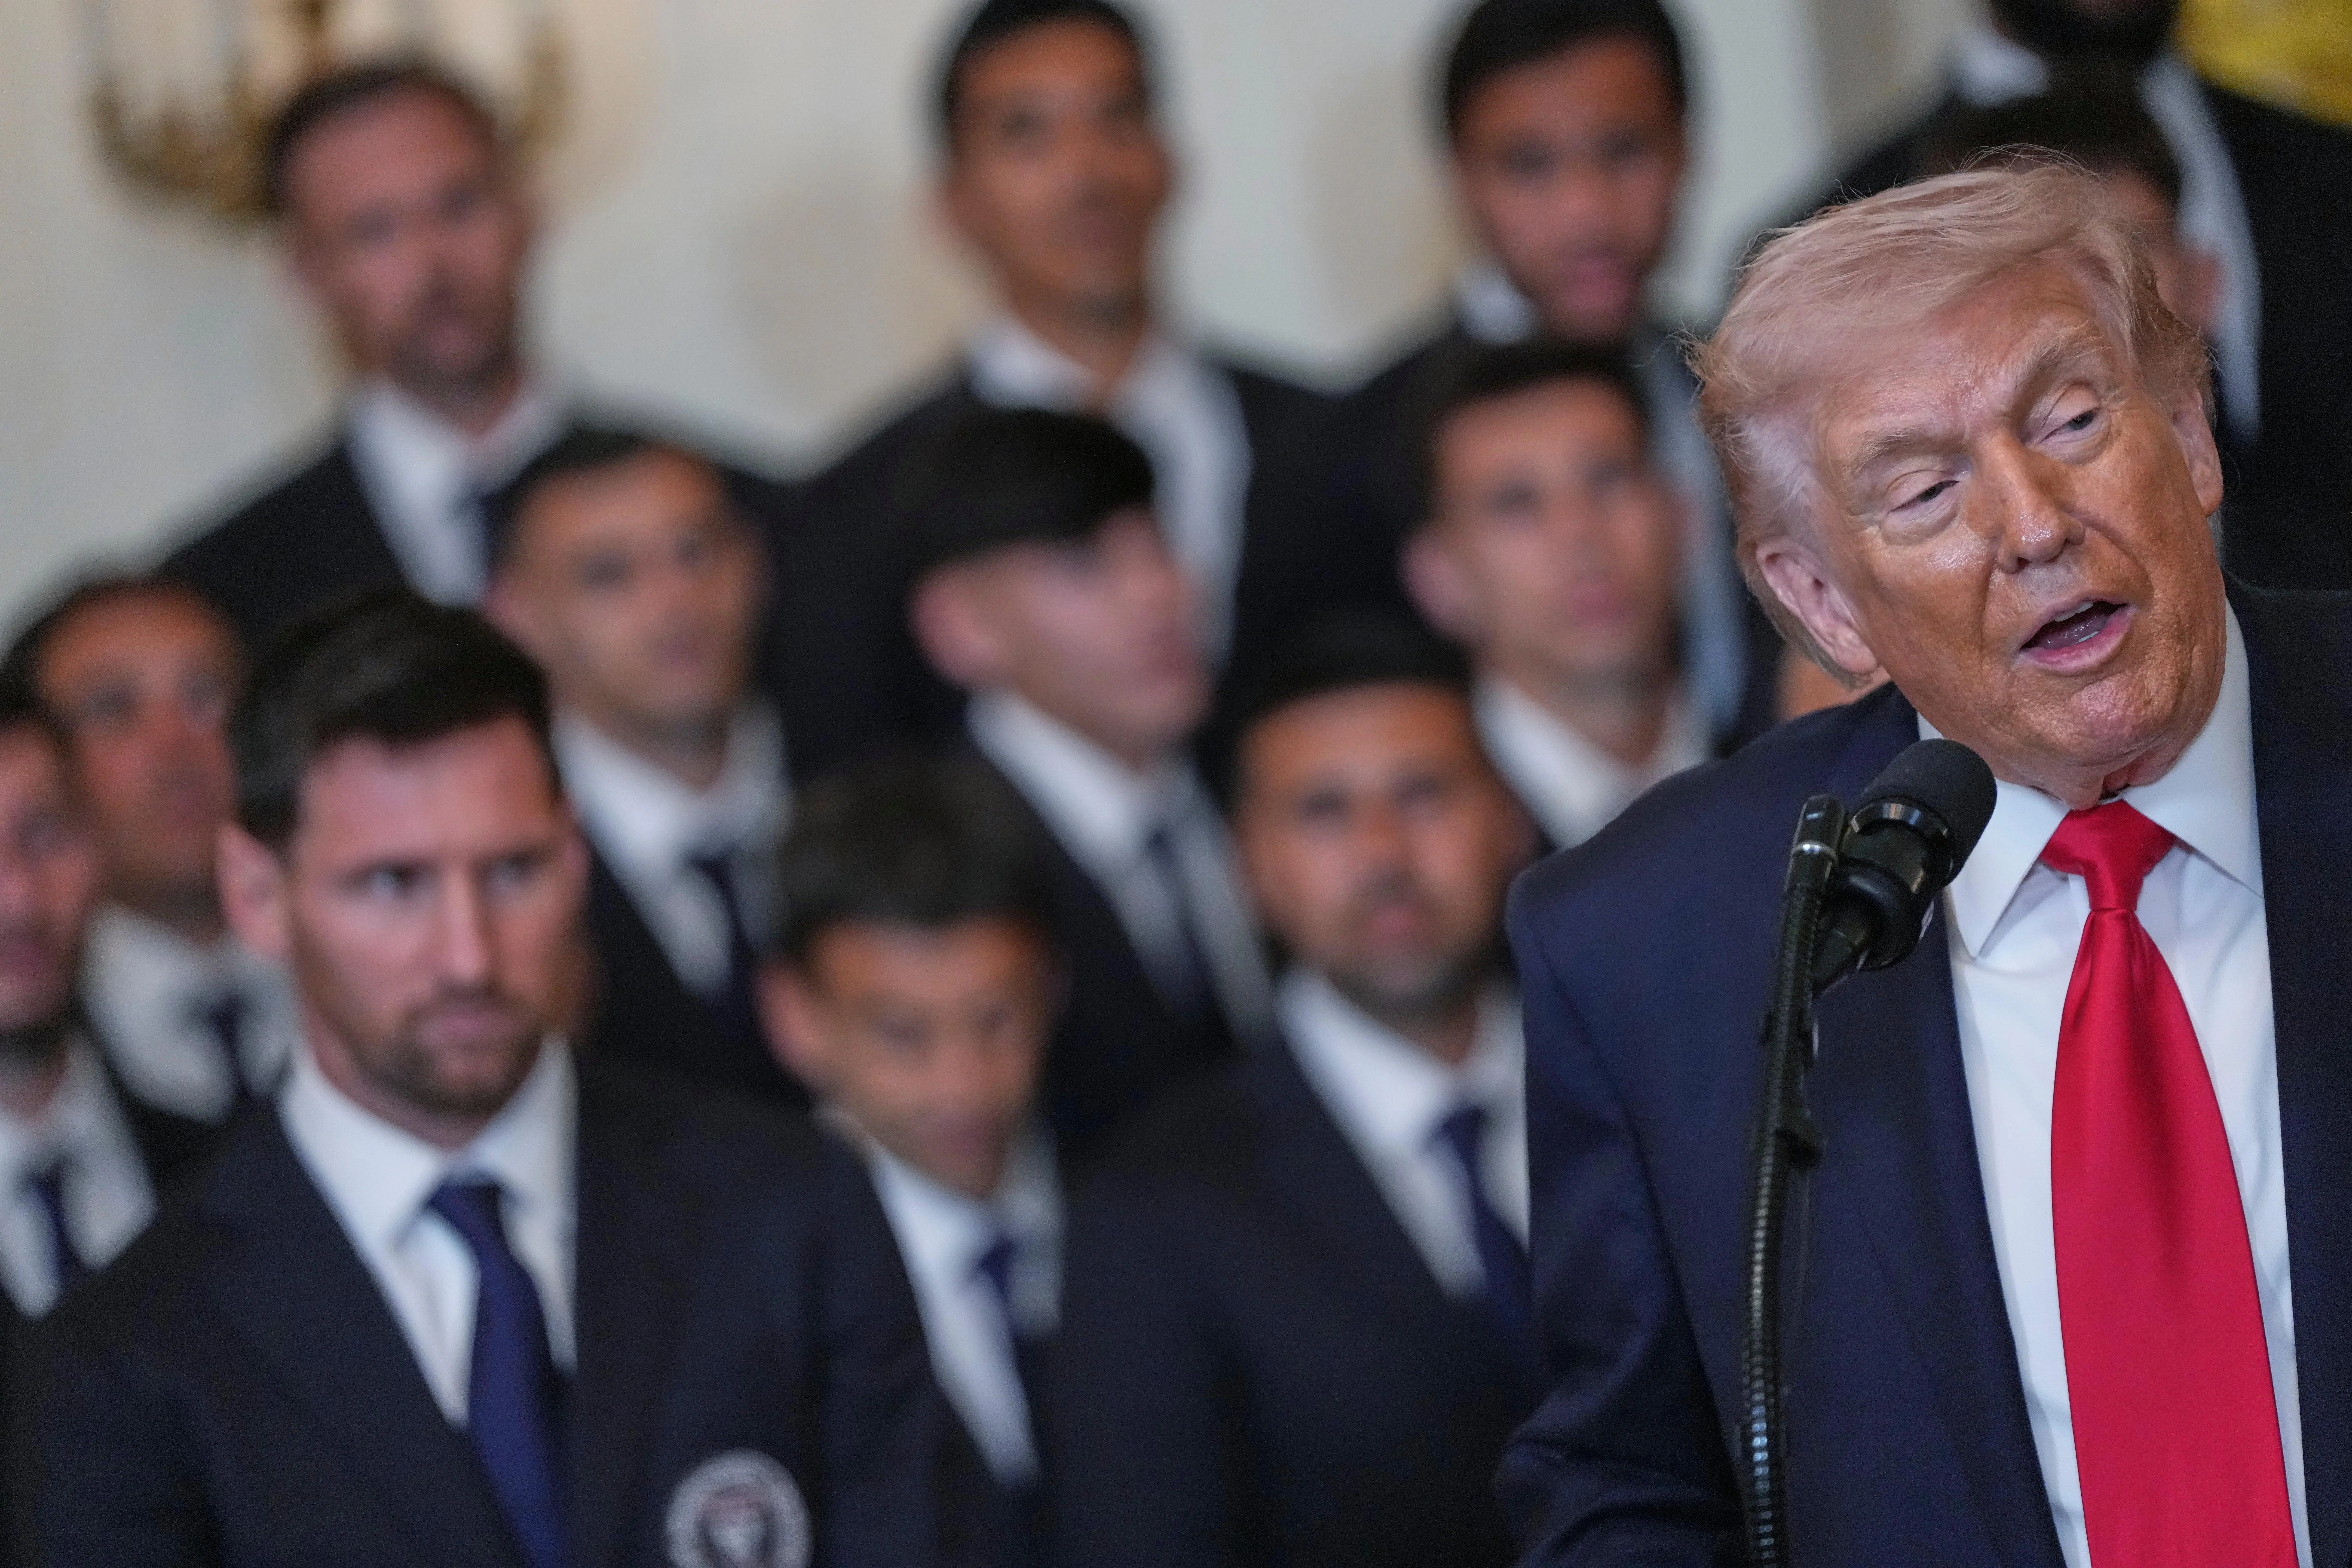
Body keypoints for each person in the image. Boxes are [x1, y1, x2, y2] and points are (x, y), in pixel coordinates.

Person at [1505, 163, 2341, 1567]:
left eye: (2073, 420)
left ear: (2191, 434)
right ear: (1825, 603)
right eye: (1923, 489)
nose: (2031, 524)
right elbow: (1625, 1487)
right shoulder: (1654, 946)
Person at [16, 592, 954, 1567]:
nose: (468, 956)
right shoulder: (128, 1355)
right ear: (259, 896)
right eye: (394, 884)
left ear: (577, 858)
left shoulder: (788, 1207)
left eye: (513, 872)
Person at [1053, 616, 1539, 1568]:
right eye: (1324, 811)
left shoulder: (1657, 1100)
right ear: (1250, 865)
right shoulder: (1152, 1211)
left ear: (1508, 818)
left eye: (1425, 793)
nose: (1384, 853)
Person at [773, 0, 1363, 765]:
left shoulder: (1335, 442)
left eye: (1119, 117)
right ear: (954, 202)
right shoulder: (854, 514)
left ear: (1171, 158)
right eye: (1028, 134)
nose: (1088, 172)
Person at [1798, 0, 2352, 595]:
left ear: (2204, 277)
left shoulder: (2330, 172)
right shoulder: (1828, 242)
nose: (2086, 306)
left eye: (2136, 249)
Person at [1331, 0, 1770, 745]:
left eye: (1625, 149)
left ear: (1687, 148)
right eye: (1529, 165)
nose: (1586, 212)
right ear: (1459, 178)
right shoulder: (1347, 454)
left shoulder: (1761, 392)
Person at [907, 407, 1271, 1165]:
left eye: (1158, 546)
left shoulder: (1259, 775)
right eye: (1086, 565)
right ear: (961, 627)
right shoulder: (937, 853)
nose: (1157, 597)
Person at [759, 755, 1064, 1568]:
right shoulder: (758, 1294)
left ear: (1053, 987)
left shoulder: (1140, 1211)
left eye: (998, 1018)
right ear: (795, 1017)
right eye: (903, 1035)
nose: (962, 1084)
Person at [160, 63, 567, 648]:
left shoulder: (732, 518)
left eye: (458, 204)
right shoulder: (218, 588)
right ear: (305, 272)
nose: (434, 264)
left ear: (526, 215)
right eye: (374, 230)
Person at [484, 429, 803, 1108]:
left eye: (698, 552)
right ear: (517, 617)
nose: (674, 603)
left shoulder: (873, 764)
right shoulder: (497, 872)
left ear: (756, 561)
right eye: (609, 575)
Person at [3, 575, 298, 1123]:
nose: (176, 745)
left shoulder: (369, 960)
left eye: (207, 693)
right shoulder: (29, 1035)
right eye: (112, 708)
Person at [1405, 341, 1716, 853]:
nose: (1580, 535)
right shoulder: (1439, 860)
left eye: (1608, 479)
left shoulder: (1804, 774)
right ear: (1440, 579)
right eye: (1516, 504)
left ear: (1682, 519)